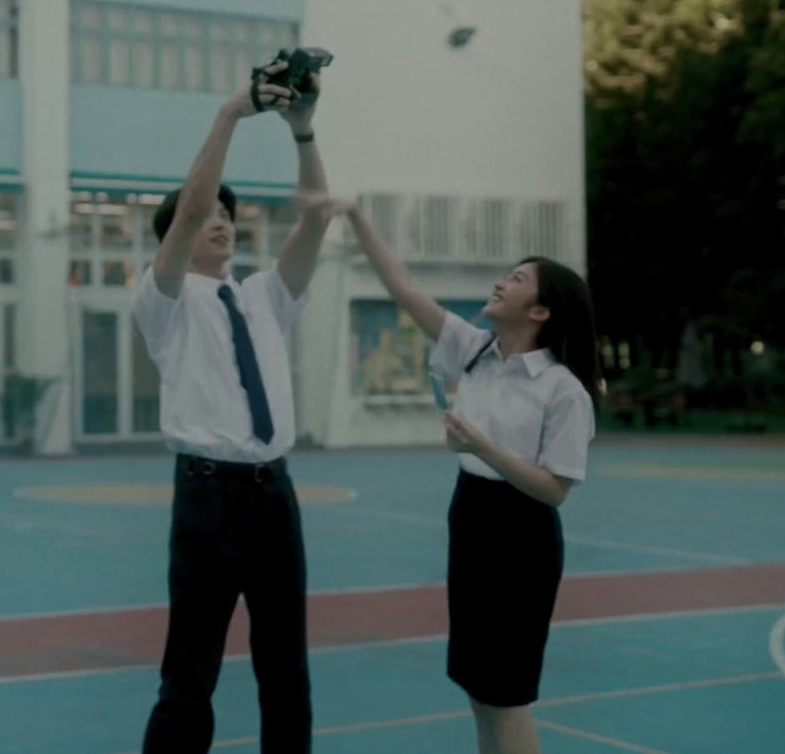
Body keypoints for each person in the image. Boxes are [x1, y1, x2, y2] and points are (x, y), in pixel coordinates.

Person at [339, 199, 602, 754]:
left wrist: (480, 444)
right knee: (480, 694)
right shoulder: (476, 349)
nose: (502, 284)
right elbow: (404, 288)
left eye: (517, 279)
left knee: (507, 701)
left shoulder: (563, 390)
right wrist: (358, 218)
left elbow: (553, 490)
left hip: (520, 537)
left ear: (542, 312)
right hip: (472, 520)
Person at [132, 60, 334, 754]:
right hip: (208, 495)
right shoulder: (163, 299)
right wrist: (231, 113)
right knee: (190, 676)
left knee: (288, 673)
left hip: (274, 493)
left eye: (227, 215)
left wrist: (302, 132)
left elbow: (313, 223)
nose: (218, 222)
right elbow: (187, 210)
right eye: (208, 216)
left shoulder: (263, 297)